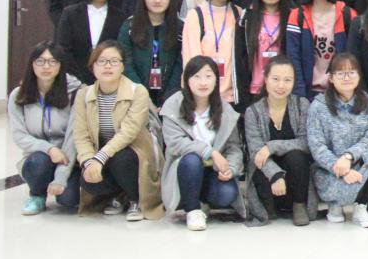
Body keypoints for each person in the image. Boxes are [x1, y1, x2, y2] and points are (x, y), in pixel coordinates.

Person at [71, 40, 163, 220]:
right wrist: (88, 162)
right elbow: (81, 136)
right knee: (88, 180)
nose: (107, 66)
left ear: (122, 66)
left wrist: (100, 158)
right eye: (101, 61)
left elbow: (128, 133)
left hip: (134, 154)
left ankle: (135, 199)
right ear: (92, 66)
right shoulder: (83, 94)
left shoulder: (138, 91)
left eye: (114, 61)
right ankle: (118, 195)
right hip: (102, 154)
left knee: (121, 159)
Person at [160, 56, 244, 230]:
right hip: (184, 171)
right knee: (192, 160)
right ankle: (192, 210)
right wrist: (210, 152)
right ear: (186, 80)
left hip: (212, 171)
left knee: (227, 194)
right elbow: (175, 143)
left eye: (208, 76)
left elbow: (234, 147)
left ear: (216, 80)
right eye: (196, 77)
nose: (203, 82)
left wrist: (231, 168)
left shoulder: (225, 110)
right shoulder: (174, 104)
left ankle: (202, 201)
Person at [307, 52, 368, 228]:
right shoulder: (318, 106)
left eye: (351, 72)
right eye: (340, 73)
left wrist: (349, 157)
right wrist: (340, 168)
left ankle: (360, 207)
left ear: (359, 76)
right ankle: (335, 204)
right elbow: (317, 146)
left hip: (358, 167)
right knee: (342, 186)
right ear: (331, 78)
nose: (346, 77)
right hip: (329, 170)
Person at [243, 56, 316, 227]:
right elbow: (255, 151)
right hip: (267, 177)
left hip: (296, 177)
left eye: (287, 80)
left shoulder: (302, 105)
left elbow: (306, 143)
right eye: (275, 79)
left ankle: (299, 205)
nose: (281, 85)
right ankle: (268, 206)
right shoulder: (253, 111)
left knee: (296, 156)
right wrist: (276, 175)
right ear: (265, 79)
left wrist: (272, 146)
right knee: (260, 159)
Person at [10, 42, 80, 215]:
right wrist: (49, 149)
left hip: (68, 158)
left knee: (68, 200)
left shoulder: (75, 94)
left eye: (52, 61)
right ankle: (37, 195)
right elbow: (19, 135)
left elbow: (72, 138)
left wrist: (61, 176)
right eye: (40, 61)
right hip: (37, 157)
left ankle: (61, 182)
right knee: (39, 162)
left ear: (60, 65)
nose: (46, 67)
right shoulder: (18, 95)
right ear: (32, 64)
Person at [285, 0, 357, 98]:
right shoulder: (297, 15)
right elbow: (293, 56)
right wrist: (300, 94)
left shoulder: (348, 14)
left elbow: (354, 55)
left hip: (340, 90)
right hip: (307, 91)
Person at [118, 0, 182, 107]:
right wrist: (141, 94)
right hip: (134, 95)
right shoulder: (129, 26)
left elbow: (180, 64)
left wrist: (169, 97)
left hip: (171, 99)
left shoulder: (180, 27)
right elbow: (125, 62)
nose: (157, 0)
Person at [181, 0, 242, 104]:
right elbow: (192, 55)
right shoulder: (196, 15)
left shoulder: (238, 14)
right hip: (201, 93)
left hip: (231, 95)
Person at [234, 0, 292, 112]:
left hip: (283, 89)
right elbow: (240, 58)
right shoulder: (247, 17)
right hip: (255, 89)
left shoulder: (293, 16)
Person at [56, 0, 124, 85]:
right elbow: (63, 49)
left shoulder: (121, 17)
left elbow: (122, 51)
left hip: (111, 79)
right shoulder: (70, 13)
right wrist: (79, 79)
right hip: (75, 79)